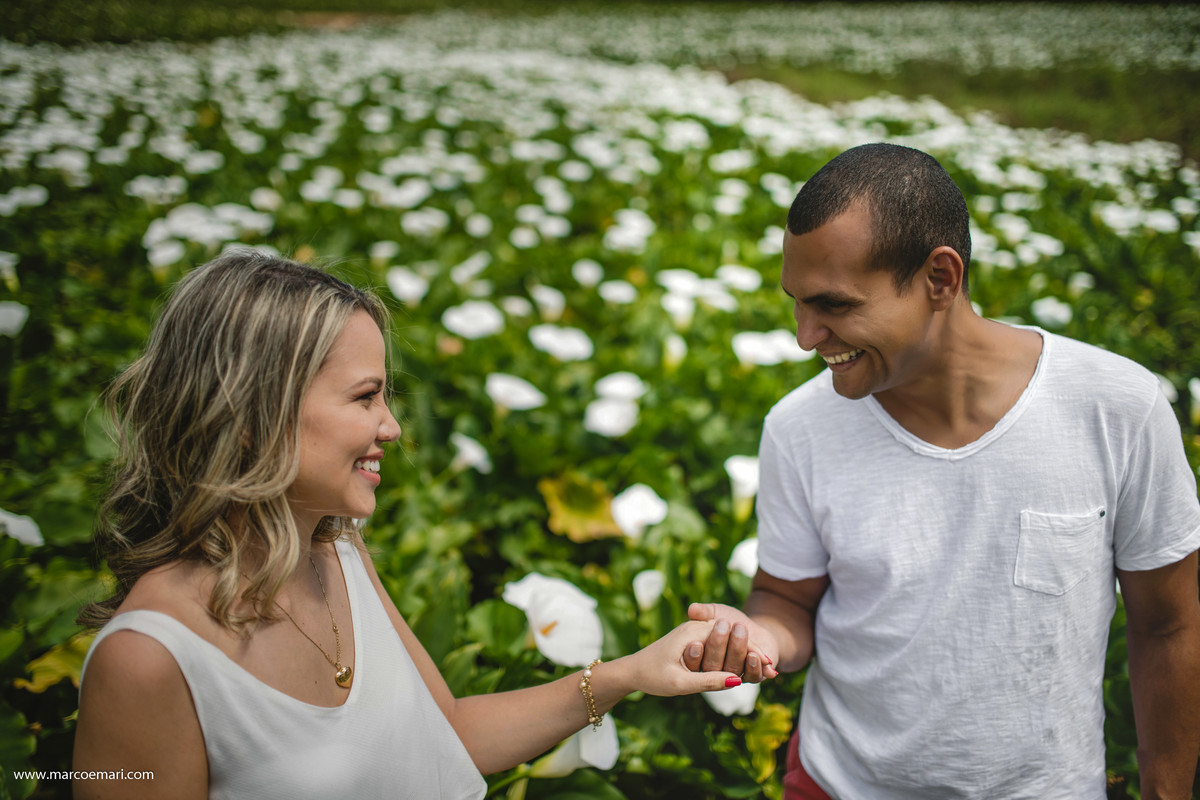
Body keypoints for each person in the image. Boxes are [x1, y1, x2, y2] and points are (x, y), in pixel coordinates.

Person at [72, 251, 743, 799]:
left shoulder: (335, 551)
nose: (391, 427)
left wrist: (630, 673)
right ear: (251, 419)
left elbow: (446, 732)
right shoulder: (148, 661)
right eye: (366, 397)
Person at [683, 143, 1200, 799]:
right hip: (840, 783)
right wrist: (756, 636)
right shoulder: (798, 427)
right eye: (797, 302)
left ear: (940, 279)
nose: (805, 335)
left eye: (834, 305)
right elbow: (787, 600)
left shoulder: (1116, 409)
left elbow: (1168, 624)